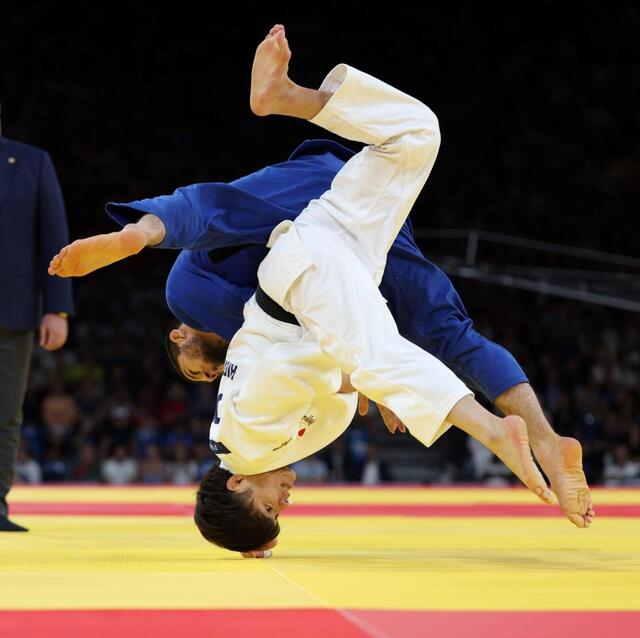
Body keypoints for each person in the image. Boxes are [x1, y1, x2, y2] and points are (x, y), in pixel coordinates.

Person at [48, 27, 592, 532]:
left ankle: (496, 432)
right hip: (338, 254)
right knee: (418, 133)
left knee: (377, 353)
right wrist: (361, 383)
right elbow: (334, 384)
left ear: (179, 334)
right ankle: (291, 98)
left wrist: (367, 378)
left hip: (297, 254)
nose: (210, 375)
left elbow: (216, 213)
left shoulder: (232, 399)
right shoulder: (275, 440)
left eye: (270, 509)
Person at [0, 132, 73, 531]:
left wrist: (56, 308)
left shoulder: (31, 161)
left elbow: (53, 236)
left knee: (5, 412)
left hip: (12, 308)